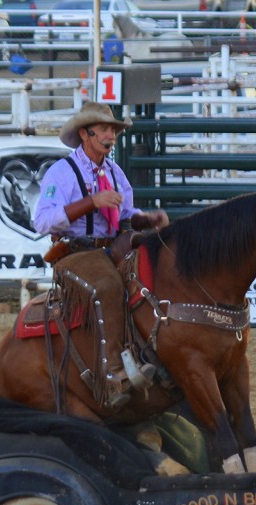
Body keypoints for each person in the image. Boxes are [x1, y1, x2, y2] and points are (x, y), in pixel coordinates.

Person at [34, 101, 169, 411]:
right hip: (75, 251)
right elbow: (42, 221)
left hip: (111, 246)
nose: (111, 135)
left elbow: (124, 214)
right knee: (107, 287)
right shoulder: (62, 173)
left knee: (153, 274)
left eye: (113, 130)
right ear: (86, 133)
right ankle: (112, 375)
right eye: (105, 129)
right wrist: (91, 202)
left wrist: (145, 219)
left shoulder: (114, 171)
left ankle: (150, 358)